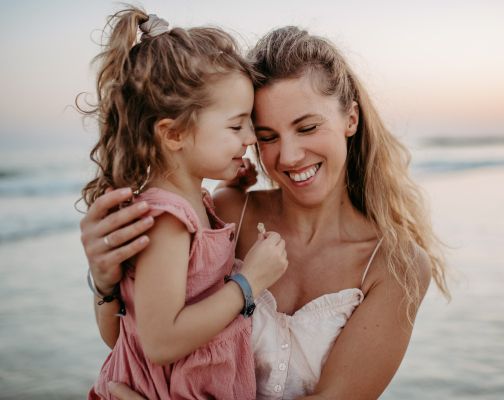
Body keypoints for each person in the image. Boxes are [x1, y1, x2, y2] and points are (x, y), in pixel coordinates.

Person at [81, 26, 451, 400]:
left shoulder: (395, 266)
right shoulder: (225, 214)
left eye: (306, 127)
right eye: (267, 136)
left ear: (350, 119)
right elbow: (134, 340)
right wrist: (105, 282)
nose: (288, 156)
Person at [79, 7, 289, 400]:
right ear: (174, 133)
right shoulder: (168, 221)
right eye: (236, 125)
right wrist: (250, 282)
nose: (249, 138)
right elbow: (160, 341)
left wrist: (235, 184)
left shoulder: (190, 203)